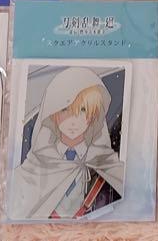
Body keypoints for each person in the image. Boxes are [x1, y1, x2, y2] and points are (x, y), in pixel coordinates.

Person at [9, 68, 124, 220]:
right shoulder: (35, 166)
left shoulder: (106, 163)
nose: (73, 120)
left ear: (93, 116)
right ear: (53, 113)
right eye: (65, 110)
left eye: (83, 110)